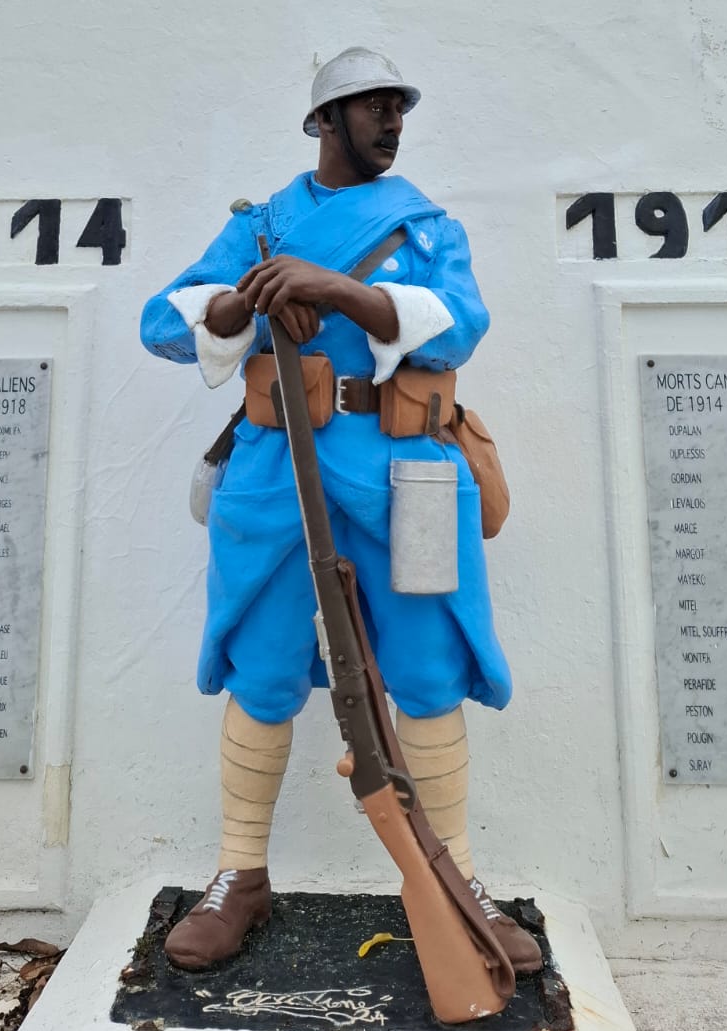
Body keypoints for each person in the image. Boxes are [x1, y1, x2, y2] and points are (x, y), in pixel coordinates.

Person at [139, 48, 540, 974]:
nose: (392, 122)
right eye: (372, 107)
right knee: (264, 666)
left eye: (398, 106)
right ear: (324, 122)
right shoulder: (263, 225)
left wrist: (341, 291)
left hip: (406, 471)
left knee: (429, 667)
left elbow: (464, 319)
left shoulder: (424, 224)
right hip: (278, 472)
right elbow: (165, 323)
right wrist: (244, 305)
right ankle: (240, 874)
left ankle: (455, 878)